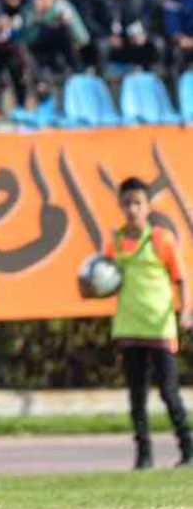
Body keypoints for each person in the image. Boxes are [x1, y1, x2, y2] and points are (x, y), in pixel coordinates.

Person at [82, 178, 193, 469]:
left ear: (148, 206)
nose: (132, 209)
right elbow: (100, 281)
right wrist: (89, 287)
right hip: (128, 328)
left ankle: (188, 448)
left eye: (138, 203)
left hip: (159, 327)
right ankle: (143, 455)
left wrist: (186, 312)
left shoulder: (161, 239)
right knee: (137, 396)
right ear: (120, 205)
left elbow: (180, 279)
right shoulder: (114, 242)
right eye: (127, 203)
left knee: (169, 392)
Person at [85, 0, 163, 72]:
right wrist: (106, 35)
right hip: (106, 39)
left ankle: (154, 79)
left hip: (130, 38)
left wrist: (142, 32)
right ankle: (103, 80)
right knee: (101, 46)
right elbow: (88, 19)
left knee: (156, 43)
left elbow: (148, 16)